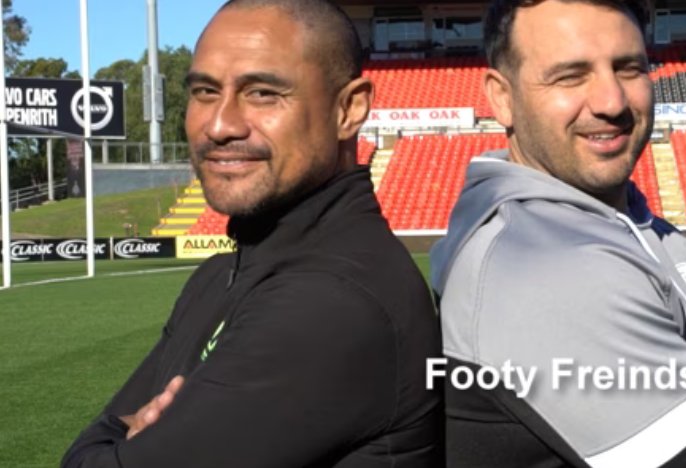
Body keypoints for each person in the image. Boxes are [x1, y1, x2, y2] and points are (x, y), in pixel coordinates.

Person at [430, 1, 686, 467]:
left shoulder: (649, 228)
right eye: (570, 76)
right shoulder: (545, 263)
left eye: (629, 69)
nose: (612, 102)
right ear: (502, 97)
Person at [61, 1, 443, 467]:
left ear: (349, 108)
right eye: (205, 91)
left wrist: (108, 442)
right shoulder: (218, 274)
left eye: (262, 93)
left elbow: (101, 450)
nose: (220, 125)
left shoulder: (332, 302)